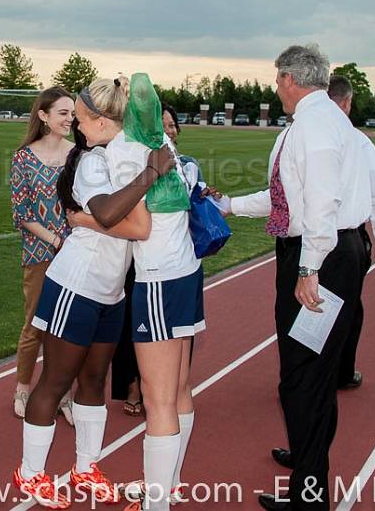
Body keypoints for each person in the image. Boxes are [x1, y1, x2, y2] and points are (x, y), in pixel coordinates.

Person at [13, 77, 174, 509]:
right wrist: (152, 172)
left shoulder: (120, 154)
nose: (78, 129)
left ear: (104, 121)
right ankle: (31, 474)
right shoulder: (89, 162)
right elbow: (104, 212)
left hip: (111, 291)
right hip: (75, 285)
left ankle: (86, 466)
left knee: (94, 381)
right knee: (56, 380)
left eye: (82, 120)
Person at [223, 45, 371, 511]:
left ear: (289, 78)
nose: (275, 88)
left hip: (320, 258)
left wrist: (308, 269)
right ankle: (310, 470)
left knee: (303, 378)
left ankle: (310, 495)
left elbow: (321, 205)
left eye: (276, 79)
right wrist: (228, 205)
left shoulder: (315, 126)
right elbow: (287, 198)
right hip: (323, 253)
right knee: (313, 375)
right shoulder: (322, 121)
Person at [103, 89, 207, 511]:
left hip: (160, 279)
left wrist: (86, 218)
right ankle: (172, 483)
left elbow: (136, 224)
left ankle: (157, 501)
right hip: (184, 275)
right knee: (178, 389)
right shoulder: (173, 156)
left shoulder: (143, 154)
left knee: (157, 396)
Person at [10, 87, 75, 420]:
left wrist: (72, 242)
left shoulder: (80, 153)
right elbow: (21, 214)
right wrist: (56, 240)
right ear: (43, 116)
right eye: (63, 112)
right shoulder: (23, 157)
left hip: (77, 254)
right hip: (40, 252)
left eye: (72, 113)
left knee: (68, 328)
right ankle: (22, 389)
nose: (70, 119)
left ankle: (63, 394)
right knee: (35, 325)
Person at [327, 75, 375, 390]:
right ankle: (340, 371)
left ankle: (306, 376)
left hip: (308, 238)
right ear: (348, 103)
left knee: (309, 304)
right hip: (347, 239)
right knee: (347, 307)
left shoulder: (298, 137)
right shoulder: (359, 141)